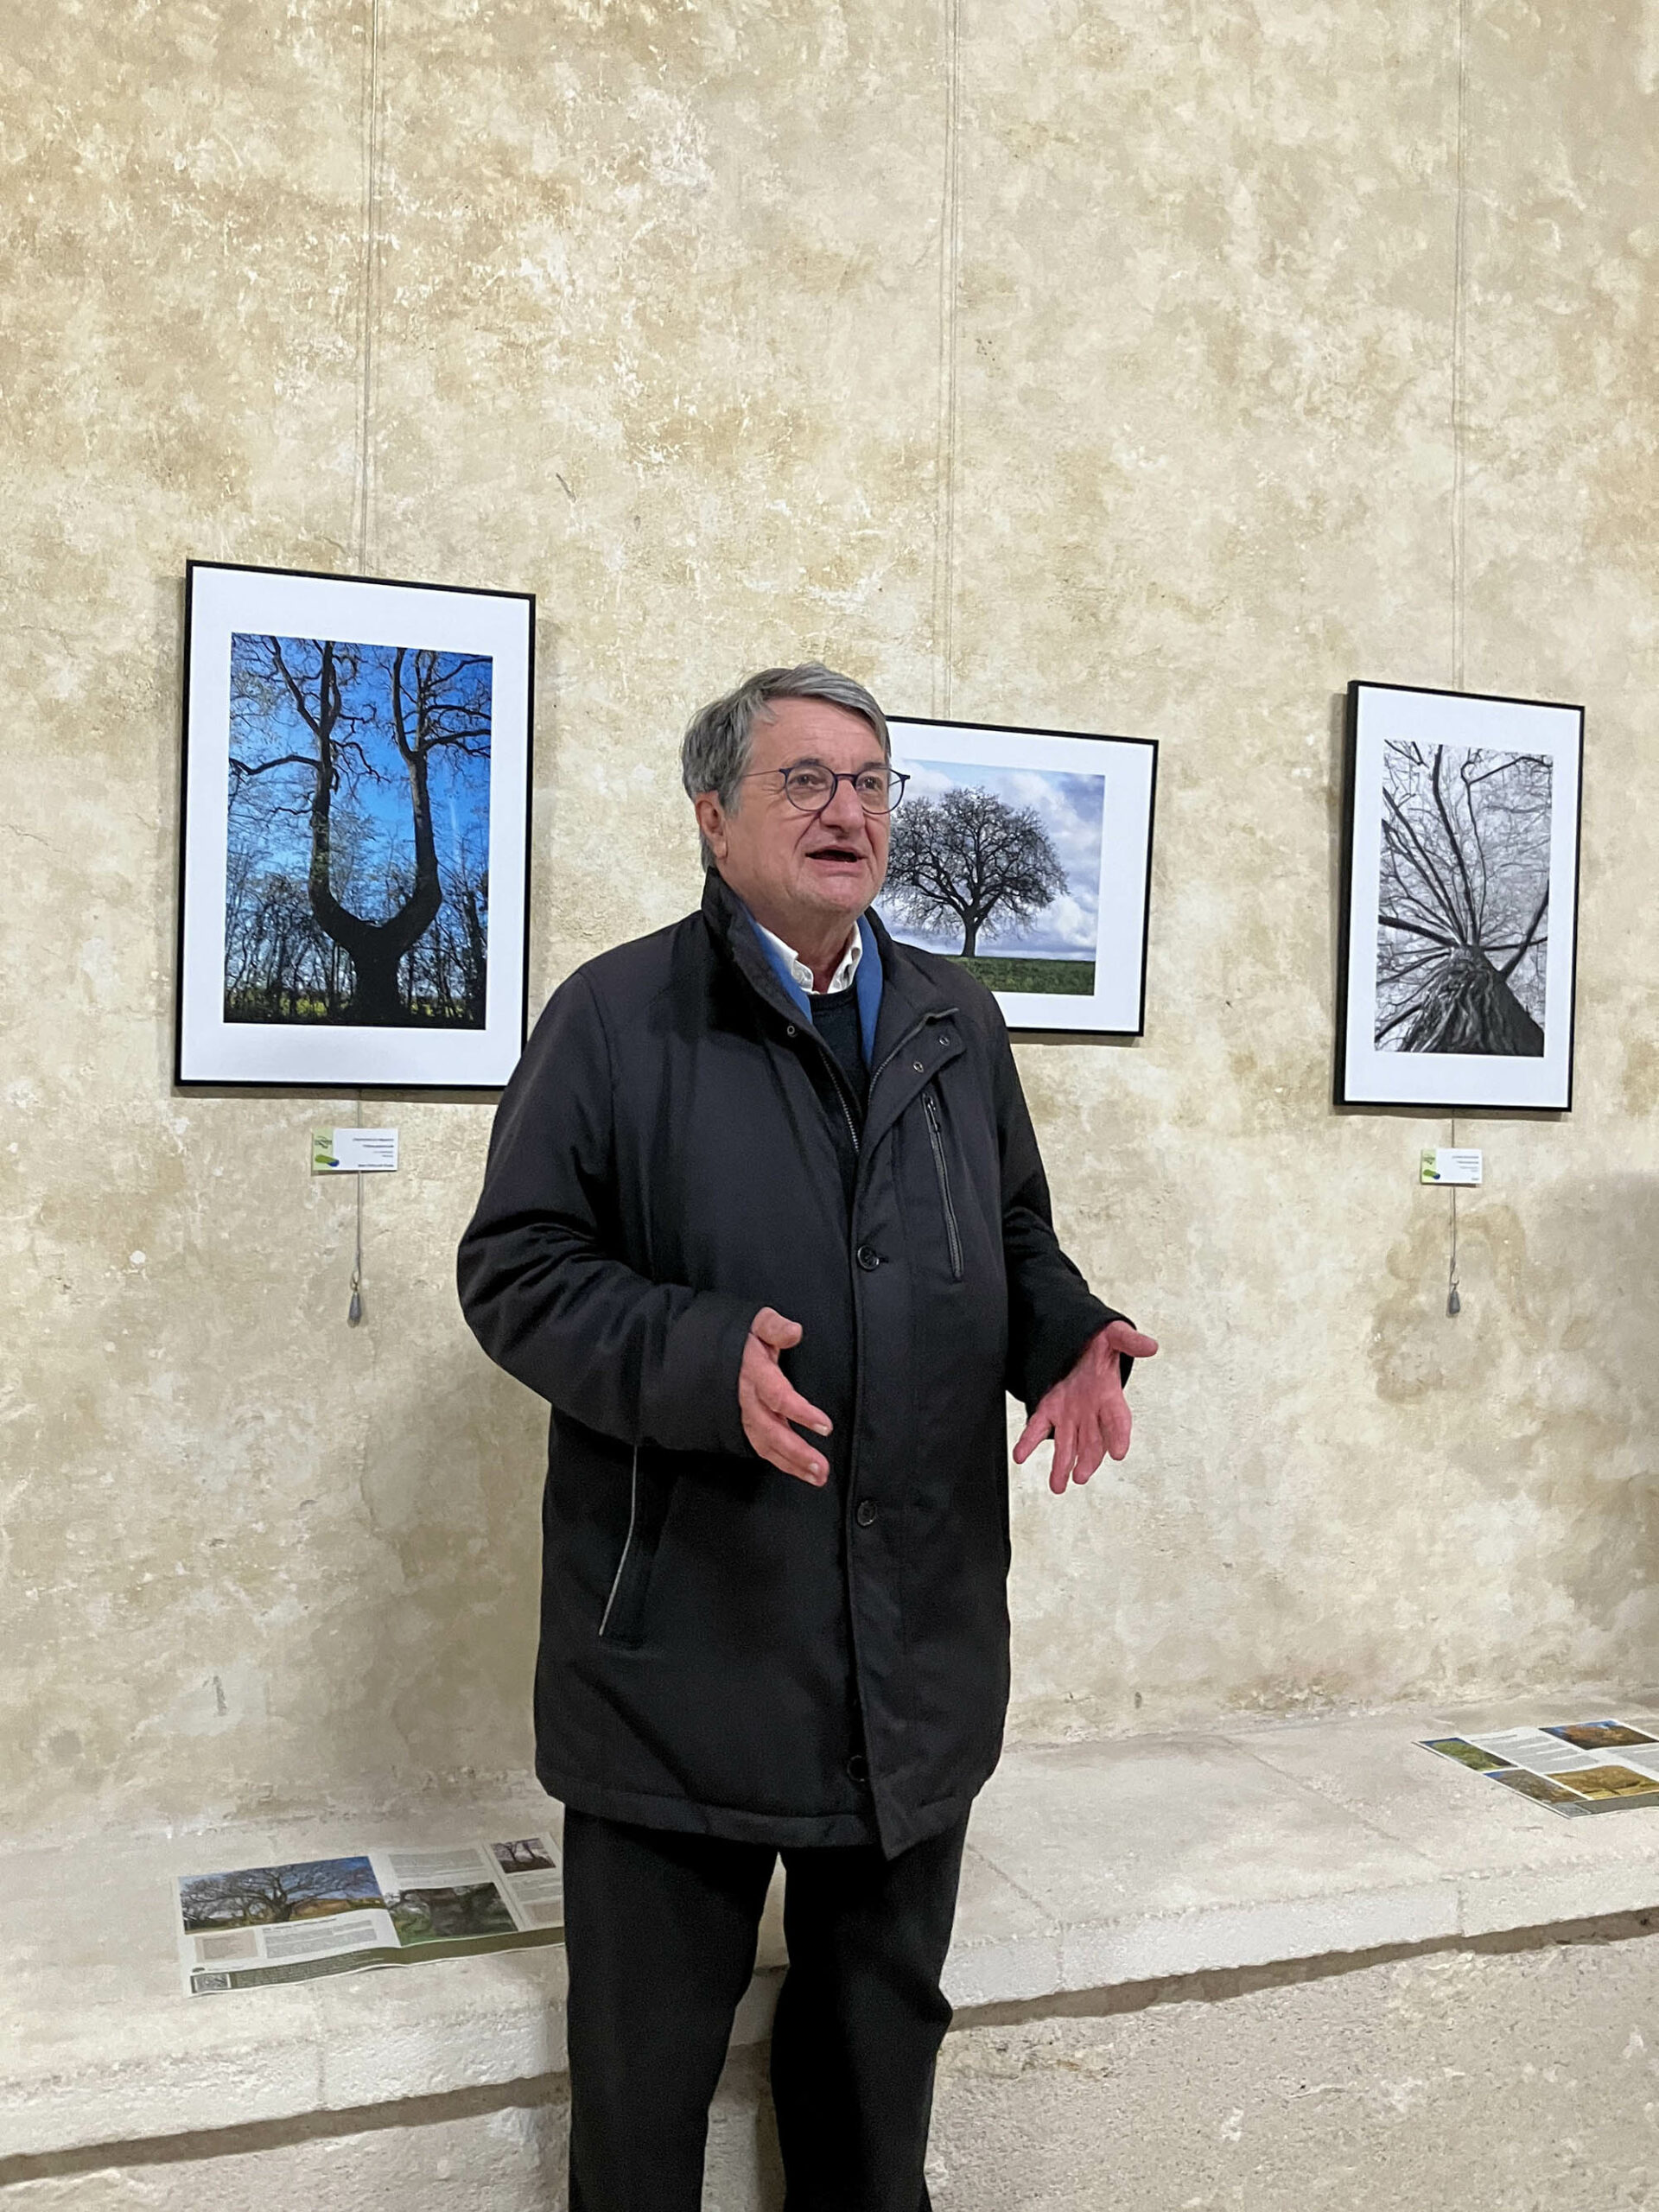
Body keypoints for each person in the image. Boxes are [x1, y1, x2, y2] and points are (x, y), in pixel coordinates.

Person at [456, 664, 1156, 2212]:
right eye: (806, 780)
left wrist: (1067, 1332)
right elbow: (514, 1270)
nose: (850, 811)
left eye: (872, 782)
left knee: (870, 2125)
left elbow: (1011, 1231)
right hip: (681, 1675)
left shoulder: (958, 1018)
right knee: (641, 2132)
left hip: (911, 1671)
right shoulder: (615, 1017)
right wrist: (702, 1357)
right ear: (713, 817)